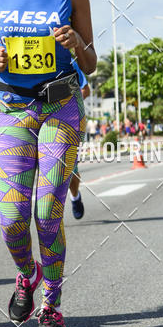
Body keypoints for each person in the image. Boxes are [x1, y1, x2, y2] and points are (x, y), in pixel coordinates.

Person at [0, 0, 96, 327]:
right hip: (13, 109)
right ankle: (26, 275)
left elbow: (92, 62)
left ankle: (52, 304)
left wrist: (77, 42)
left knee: (47, 210)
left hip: (60, 105)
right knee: (12, 218)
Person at [68, 61, 90, 220]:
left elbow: (85, 89)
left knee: (69, 170)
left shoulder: (69, 62)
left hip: (65, 122)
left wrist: (69, 100)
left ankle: (75, 196)